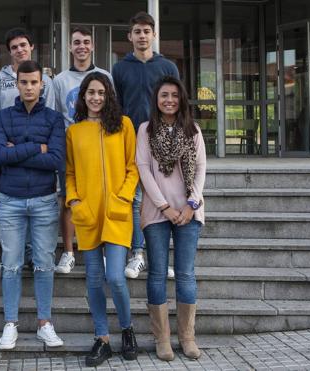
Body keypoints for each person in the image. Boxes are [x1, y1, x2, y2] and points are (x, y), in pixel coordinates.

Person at [65, 72, 139, 366]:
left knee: (116, 278)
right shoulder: (74, 131)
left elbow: (132, 167)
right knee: (94, 280)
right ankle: (102, 338)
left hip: (117, 214)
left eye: (101, 92)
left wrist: (123, 196)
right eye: (90, 92)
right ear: (82, 97)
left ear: (109, 96)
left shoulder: (123, 125)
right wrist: (74, 201)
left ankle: (127, 329)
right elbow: (69, 173)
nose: (95, 97)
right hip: (87, 214)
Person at [0, 60, 65, 350]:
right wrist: (38, 147)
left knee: (44, 264)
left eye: (34, 82)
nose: (29, 87)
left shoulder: (54, 119)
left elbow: (56, 159)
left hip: (45, 199)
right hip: (10, 200)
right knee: (10, 264)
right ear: (17, 84)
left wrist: (18, 151)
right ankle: (11, 324)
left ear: (42, 84)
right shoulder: (3, 116)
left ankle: (45, 323)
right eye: (24, 82)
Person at [137, 76, 206, 361]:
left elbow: (201, 168)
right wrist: (164, 207)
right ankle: (162, 339)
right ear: (156, 98)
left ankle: (187, 337)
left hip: (189, 210)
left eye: (174, 95)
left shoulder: (192, 129)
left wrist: (191, 204)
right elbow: (143, 169)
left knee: (186, 274)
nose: (169, 100)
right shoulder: (146, 129)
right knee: (156, 274)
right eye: (164, 95)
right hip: (157, 211)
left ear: (182, 99)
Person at [112, 11, 179, 279]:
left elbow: (177, 103)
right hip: (130, 140)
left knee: (162, 197)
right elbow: (115, 106)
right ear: (130, 36)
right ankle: (137, 254)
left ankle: (160, 258)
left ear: (154, 34)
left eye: (146, 31)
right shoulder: (119, 68)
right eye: (137, 32)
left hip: (162, 138)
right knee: (137, 198)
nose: (142, 36)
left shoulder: (168, 67)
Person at [52, 26, 113, 275]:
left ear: (92, 45)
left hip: (100, 146)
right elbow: (55, 115)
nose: (81, 46)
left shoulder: (104, 76)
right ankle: (68, 252)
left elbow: (112, 110)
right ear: (69, 47)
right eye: (76, 42)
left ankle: (105, 249)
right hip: (71, 147)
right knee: (69, 199)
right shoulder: (60, 80)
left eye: (86, 42)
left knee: (102, 199)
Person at [0, 28, 55, 110]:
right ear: (10, 52)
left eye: (23, 45)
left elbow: (50, 113)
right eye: (14, 47)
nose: (19, 50)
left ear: (31, 46)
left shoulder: (45, 80)